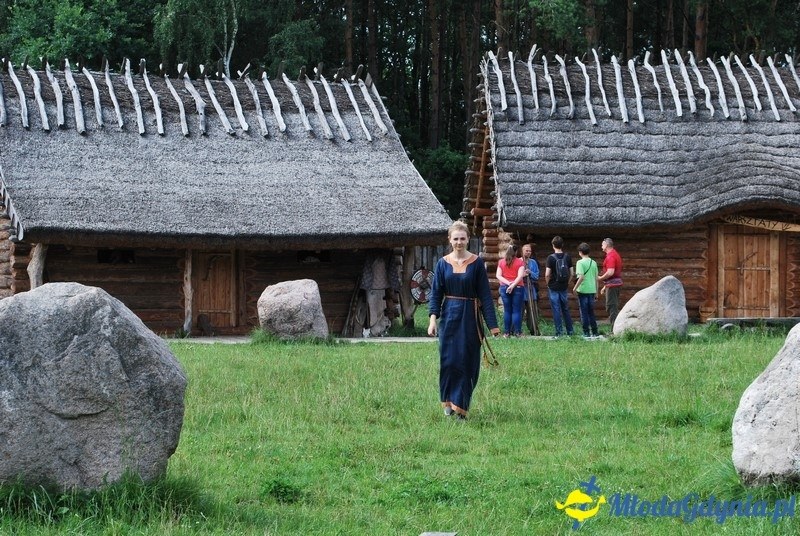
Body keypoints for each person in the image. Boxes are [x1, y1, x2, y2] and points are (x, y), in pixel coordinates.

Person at [428, 221, 500, 420]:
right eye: (455, 239)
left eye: (462, 238)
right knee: (449, 361)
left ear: (468, 239)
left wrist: (492, 325)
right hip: (449, 317)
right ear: (450, 240)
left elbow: (485, 295)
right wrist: (433, 320)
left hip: (470, 317)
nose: (459, 242)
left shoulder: (476, 263)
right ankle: (448, 402)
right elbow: (436, 294)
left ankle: (462, 406)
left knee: (467, 362)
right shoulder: (442, 264)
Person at [545, 236, 574, 337]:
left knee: (556, 309)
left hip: (553, 286)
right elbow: (572, 273)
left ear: (553, 245)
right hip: (564, 286)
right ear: (562, 245)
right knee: (565, 309)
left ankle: (559, 332)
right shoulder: (567, 257)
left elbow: (547, 274)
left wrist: (548, 284)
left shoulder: (550, 258)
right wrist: (568, 282)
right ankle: (570, 331)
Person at [495, 244, 525, 337]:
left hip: (504, 287)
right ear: (516, 252)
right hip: (518, 287)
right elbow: (520, 276)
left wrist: (508, 284)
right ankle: (518, 332)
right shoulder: (520, 262)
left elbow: (498, 275)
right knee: (517, 310)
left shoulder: (501, 262)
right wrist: (513, 285)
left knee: (507, 310)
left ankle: (506, 333)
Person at [572, 242, 599, 339]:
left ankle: (586, 332)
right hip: (592, 290)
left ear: (580, 252)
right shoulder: (594, 262)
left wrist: (575, 288)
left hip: (583, 290)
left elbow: (581, 277)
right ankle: (595, 331)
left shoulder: (580, 263)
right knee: (591, 312)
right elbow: (596, 278)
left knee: (584, 312)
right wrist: (596, 292)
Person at [598, 237, 623, 331]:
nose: (601, 246)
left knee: (611, 307)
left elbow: (610, 272)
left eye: (602, 244)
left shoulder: (611, 256)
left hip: (613, 286)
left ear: (607, 245)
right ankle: (615, 329)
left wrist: (600, 278)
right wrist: (605, 286)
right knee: (612, 306)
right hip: (612, 284)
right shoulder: (614, 254)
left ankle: (614, 330)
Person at [521, 243, 540, 335]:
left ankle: (534, 330)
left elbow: (537, 276)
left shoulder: (533, 262)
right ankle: (516, 330)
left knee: (532, 310)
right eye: (526, 250)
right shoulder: (518, 261)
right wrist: (522, 275)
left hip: (531, 289)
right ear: (522, 251)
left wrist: (530, 273)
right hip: (520, 289)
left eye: (530, 251)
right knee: (519, 310)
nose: (528, 252)